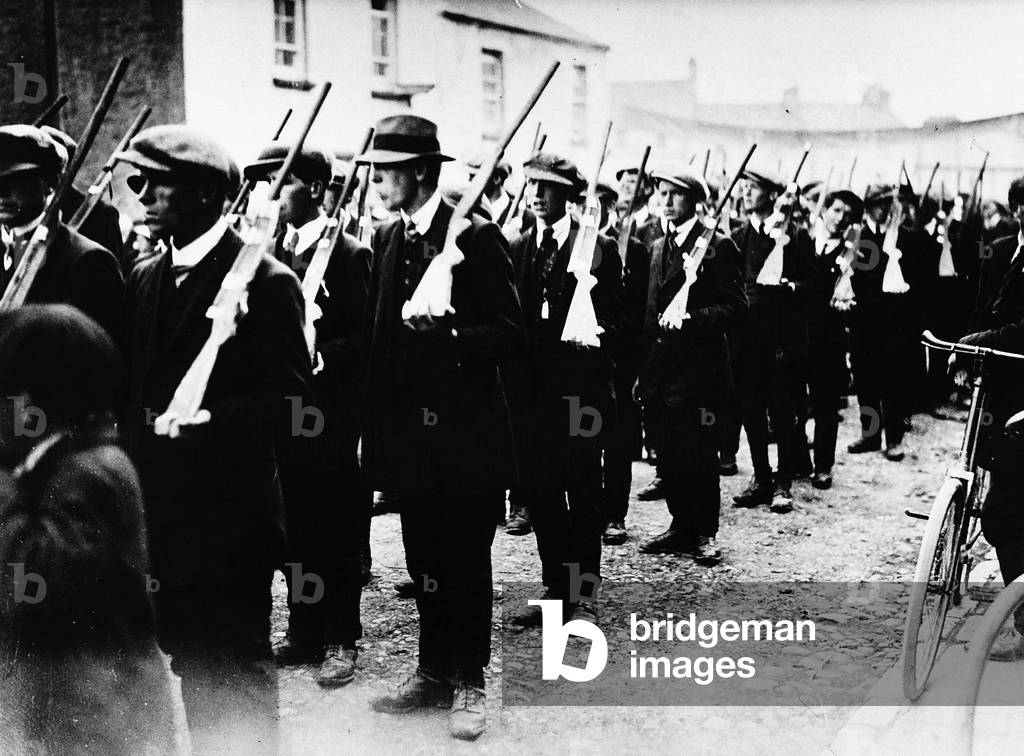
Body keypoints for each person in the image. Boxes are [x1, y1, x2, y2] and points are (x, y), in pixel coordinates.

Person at [117, 124, 313, 754]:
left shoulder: (265, 280)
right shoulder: (146, 274)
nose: (141, 193)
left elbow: (294, 405)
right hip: (161, 518)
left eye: (157, 181)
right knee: (183, 661)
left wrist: (211, 422)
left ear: (205, 193)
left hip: (228, 522)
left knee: (232, 676)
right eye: (136, 179)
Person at [357, 115, 524, 741]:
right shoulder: (387, 237)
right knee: (422, 558)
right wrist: (373, 436)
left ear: (422, 172)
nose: (377, 180)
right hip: (410, 439)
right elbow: (378, 340)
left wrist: (450, 335)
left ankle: (469, 682)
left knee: (465, 563)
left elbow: (511, 334)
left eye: (388, 170)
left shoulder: (476, 239)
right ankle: (431, 669)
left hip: (467, 438)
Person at [0, 304, 175, 755]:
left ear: (37, 402)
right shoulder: (58, 461)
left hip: (103, 717)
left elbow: (33, 575)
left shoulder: (94, 472)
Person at [243, 143, 371, 686]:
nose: (269, 194)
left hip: (329, 414)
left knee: (334, 524)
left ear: (317, 189)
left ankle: (341, 636)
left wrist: (325, 355)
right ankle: (304, 628)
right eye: (262, 183)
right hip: (282, 415)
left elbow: (367, 336)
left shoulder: (350, 254)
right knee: (291, 522)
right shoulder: (264, 253)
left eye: (282, 181)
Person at [507, 152, 624, 627]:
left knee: (583, 489)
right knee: (542, 491)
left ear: (570, 195)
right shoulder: (518, 246)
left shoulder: (597, 246)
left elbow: (619, 319)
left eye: (548, 187)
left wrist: (592, 329)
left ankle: (585, 593)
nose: (537, 196)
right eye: (532, 185)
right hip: (533, 394)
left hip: (580, 390)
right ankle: (556, 585)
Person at [637, 170, 747, 561]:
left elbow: (736, 306)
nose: (666, 201)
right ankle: (680, 525)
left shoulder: (716, 245)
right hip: (661, 371)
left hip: (699, 372)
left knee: (699, 454)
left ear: (696, 201)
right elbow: (648, 310)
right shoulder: (655, 246)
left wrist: (692, 318)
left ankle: (705, 532)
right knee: (668, 454)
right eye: (661, 194)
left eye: (675, 195)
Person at [958, 178, 1024, 660]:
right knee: (1003, 504)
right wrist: (964, 351)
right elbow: (981, 307)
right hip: (1005, 393)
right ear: (1016, 210)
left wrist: (981, 339)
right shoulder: (1001, 249)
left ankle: (1021, 624)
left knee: (1004, 510)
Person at [730, 169, 818, 513]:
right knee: (750, 408)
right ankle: (761, 477)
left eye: (754, 188)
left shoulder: (794, 236)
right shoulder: (736, 237)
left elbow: (814, 284)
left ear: (771, 194)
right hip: (746, 337)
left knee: (782, 409)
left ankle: (783, 482)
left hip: (782, 338)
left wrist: (790, 287)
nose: (747, 193)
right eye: (745, 188)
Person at [0, 125, 124, 343]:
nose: (2, 193)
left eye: (15, 181)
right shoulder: (4, 248)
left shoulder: (87, 260)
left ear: (51, 183)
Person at [847, 183, 929, 461]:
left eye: (889, 204)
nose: (886, 209)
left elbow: (918, 280)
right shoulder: (858, 236)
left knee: (894, 382)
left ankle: (893, 439)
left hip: (895, 324)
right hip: (864, 322)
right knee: (866, 381)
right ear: (869, 207)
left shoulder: (906, 238)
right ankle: (870, 435)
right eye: (880, 204)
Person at [597, 181, 650, 545]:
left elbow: (640, 310)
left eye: (601, 206)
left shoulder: (633, 249)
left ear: (612, 209)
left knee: (618, 440)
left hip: (621, 357)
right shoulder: (567, 246)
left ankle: (615, 514)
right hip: (580, 361)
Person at [806, 190, 861, 488]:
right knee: (792, 402)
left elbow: (858, 299)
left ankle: (823, 466)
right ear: (824, 210)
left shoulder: (852, 254)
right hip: (798, 335)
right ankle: (799, 458)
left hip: (829, 339)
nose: (840, 219)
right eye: (836, 211)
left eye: (847, 216)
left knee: (826, 404)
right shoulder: (801, 242)